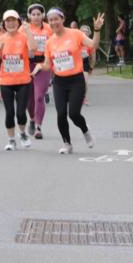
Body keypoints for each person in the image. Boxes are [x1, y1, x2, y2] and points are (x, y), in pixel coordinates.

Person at [34, 8, 104, 154]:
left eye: (56, 19)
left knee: (73, 114)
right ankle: (67, 144)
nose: (54, 22)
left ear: (63, 19)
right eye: (51, 20)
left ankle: (86, 131)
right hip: (59, 81)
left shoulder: (75, 34)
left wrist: (96, 29)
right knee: (61, 114)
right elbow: (48, 64)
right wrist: (40, 66)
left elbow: (93, 45)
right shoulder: (49, 42)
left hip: (76, 80)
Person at [0, 10, 36, 150]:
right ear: (4, 24)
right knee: (9, 112)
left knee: (21, 113)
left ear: (18, 22)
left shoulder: (23, 37)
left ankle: (22, 133)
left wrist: (28, 31)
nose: (11, 23)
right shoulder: (0, 39)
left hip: (23, 80)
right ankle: (11, 140)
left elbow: (33, 50)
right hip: (6, 82)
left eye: (13, 20)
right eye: (8, 21)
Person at [25, 2, 52, 139]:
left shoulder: (49, 29)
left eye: (38, 14)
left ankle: (38, 126)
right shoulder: (23, 29)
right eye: (33, 14)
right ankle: (32, 119)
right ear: (29, 16)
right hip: (27, 65)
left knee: (39, 96)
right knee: (29, 99)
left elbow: (56, 43)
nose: (36, 17)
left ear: (43, 15)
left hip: (43, 65)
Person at [80, 24, 96, 104]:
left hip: (84, 63)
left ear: (89, 33)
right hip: (75, 64)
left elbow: (93, 57)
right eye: (82, 31)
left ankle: (84, 97)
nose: (84, 33)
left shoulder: (90, 43)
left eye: (86, 31)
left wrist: (91, 67)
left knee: (85, 82)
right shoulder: (76, 41)